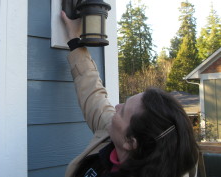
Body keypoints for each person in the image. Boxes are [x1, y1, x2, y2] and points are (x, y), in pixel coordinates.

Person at [61, 11, 199, 177]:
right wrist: (75, 43)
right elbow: (94, 97)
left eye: (124, 111)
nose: (116, 107)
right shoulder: (113, 135)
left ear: (131, 142)